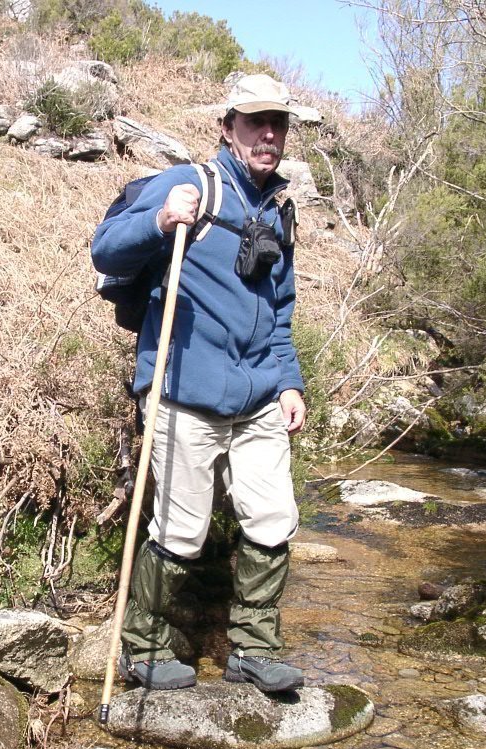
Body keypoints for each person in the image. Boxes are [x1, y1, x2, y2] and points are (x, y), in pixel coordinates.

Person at [91, 74, 307, 692]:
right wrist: (161, 221)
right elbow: (105, 250)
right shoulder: (192, 185)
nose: (268, 135)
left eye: (278, 124)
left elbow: (280, 312)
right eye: (255, 122)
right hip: (182, 391)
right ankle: (143, 646)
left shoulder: (278, 210)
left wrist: (289, 382)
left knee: (273, 519)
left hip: (260, 396)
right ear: (228, 127)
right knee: (181, 530)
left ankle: (253, 648)